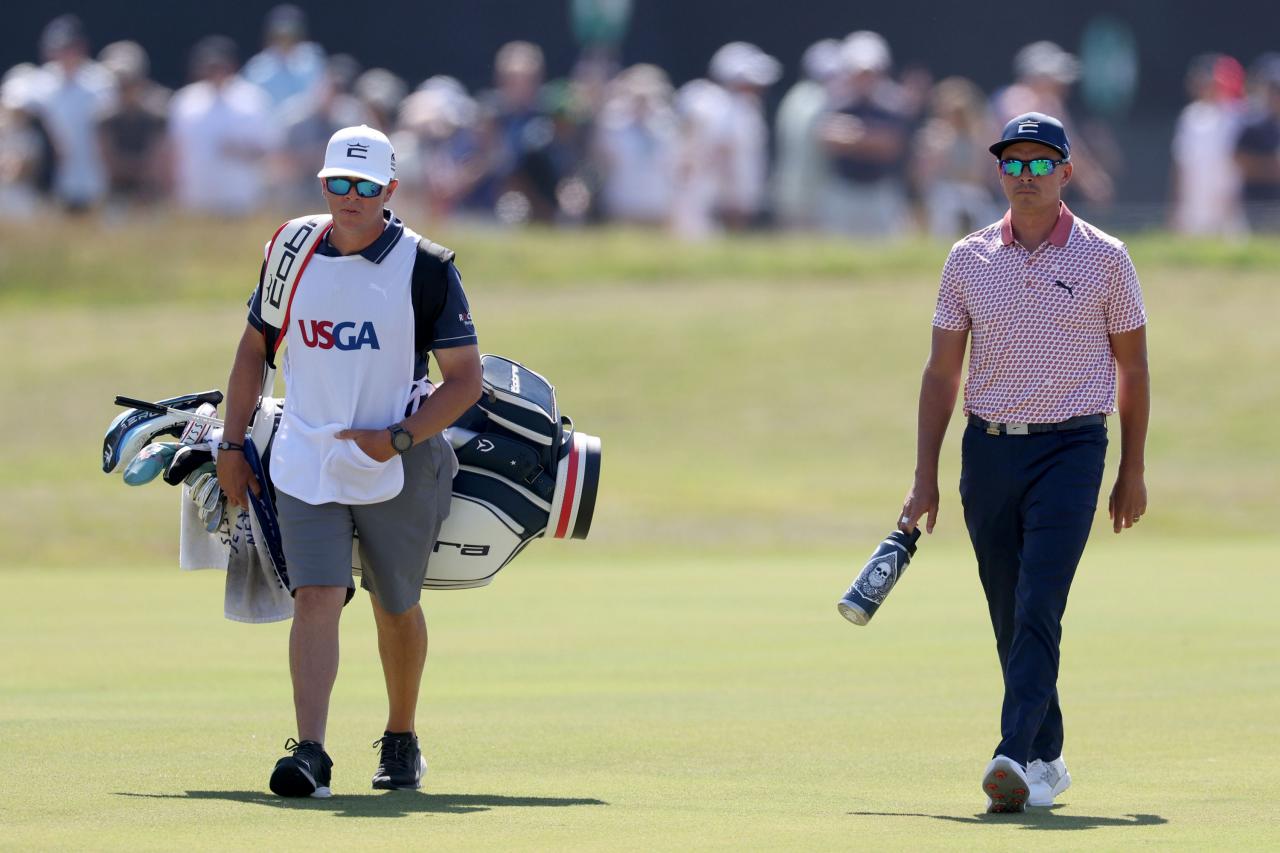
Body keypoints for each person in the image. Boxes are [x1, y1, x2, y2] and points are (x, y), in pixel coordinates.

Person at [216, 125, 482, 797]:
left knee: (395, 604)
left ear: (390, 190)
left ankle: (401, 736)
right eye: (339, 183)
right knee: (317, 595)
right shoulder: (290, 247)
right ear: (323, 184)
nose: (351, 197)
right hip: (306, 455)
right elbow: (254, 349)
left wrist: (396, 436)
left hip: (396, 459)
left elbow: (464, 380)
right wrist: (231, 440)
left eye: (367, 187)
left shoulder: (426, 267)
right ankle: (310, 752)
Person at [897, 112, 1149, 813]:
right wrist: (926, 474)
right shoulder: (967, 258)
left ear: (1067, 172)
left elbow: (1133, 367)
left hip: (1072, 447)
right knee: (1009, 608)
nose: (1027, 176)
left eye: (1042, 164)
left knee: (1041, 599)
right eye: (1014, 163)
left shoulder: (1107, 257)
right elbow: (942, 373)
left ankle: (1011, 752)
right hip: (988, 449)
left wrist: (1132, 468)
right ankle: (1047, 754)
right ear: (998, 170)